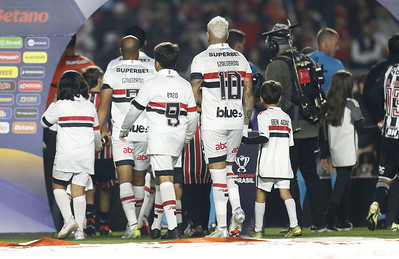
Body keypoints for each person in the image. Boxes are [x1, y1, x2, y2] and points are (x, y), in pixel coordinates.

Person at [120, 42, 198, 239]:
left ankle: (173, 228)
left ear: (157, 63)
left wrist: (124, 129)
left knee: (164, 181)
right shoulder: (184, 84)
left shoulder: (152, 83)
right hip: (178, 138)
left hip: (160, 138)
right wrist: (187, 137)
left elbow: (134, 110)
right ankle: (156, 225)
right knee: (163, 180)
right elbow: (194, 116)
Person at [190, 16, 254, 237]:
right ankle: (236, 209)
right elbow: (249, 93)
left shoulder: (201, 59)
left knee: (217, 176)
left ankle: (222, 227)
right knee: (229, 170)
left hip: (214, 122)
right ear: (227, 36)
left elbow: (194, 93)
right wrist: (245, 124)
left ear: (207, 35)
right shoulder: (241, 59)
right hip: (236, 121)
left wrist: (193, 114)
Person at [264, 23, 327, 232]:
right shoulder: (306, 59)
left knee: (289, 177)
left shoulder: (276, 65)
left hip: (290, 131)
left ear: (274, 42)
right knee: (311, 175)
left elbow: (273, 100)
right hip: (311, 128)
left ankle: (295, 222)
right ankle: (320, 222)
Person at [97, 35, 154, 239]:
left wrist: (100, 129)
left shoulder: (112, 71)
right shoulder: (151, 70)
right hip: (146, 132)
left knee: (125, 181)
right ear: (139, 52)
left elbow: (103, 106)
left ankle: (132, 225)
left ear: (120, 52)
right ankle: (137, 222)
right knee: (140, 180)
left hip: (123, 133)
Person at [43, 34, 96, 232]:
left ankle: (63, 221)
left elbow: (45, 120)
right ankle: (80, 228)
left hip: (58, 132)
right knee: (79, 187)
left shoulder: (52, 66)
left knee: (56, 182)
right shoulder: (87, 63)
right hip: (85, 137)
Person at [41, 71, 102, 240]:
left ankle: (69, 220)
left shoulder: (60, 105)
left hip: (66, 154)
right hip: (86, 155)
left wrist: (53, 103)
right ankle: (80, 232)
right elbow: (96, 132)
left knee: (58, 186)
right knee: (79, 191)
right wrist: (98, 147)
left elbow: (44, 122)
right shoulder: (89, 105)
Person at [320, 70, 380, 232]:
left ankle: (342, 221)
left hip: (335, 150)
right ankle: (330, 219)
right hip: (347, 151)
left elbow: (323, 132)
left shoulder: (328, 104)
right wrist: (378, 127)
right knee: (341, 186)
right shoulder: (352, 104)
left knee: (345, 186)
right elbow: (361, 129)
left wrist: (324, 155)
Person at [242, 80, 302, 238]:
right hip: (283, 163)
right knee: (286, 194)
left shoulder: (263, 115)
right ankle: (295, 226)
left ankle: (257, 230)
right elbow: (290, 143)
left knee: (261, 193)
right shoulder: (286, 117)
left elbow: (264, 137)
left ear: (261, 98)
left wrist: (246, 140)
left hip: (267, 163)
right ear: (280, 98)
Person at [82, 66, 116, 236]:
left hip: (86, 150)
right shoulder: (107, 98)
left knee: (89, 186)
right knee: (105, 188)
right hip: (105, 151)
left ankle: (89, 220)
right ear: (100, 80)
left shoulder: (81, 99)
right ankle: (104, 225)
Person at [366, 61, 399, 231]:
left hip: (389, 132)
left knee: (385, 178)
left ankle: (376, 203)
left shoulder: (389, 71)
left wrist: (382, 117)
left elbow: (372, 96)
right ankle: (397, 222)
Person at [226, 28, 264, 131]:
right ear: (238, 46)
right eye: (242, 46)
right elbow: (258, 92)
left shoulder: (214, 64)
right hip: (241, 118)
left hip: (219, 116)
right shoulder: (248, 66)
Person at [308, 28, 345, 93]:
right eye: (336, 44)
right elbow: (342, 93)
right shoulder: (337, 65)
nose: (338, 48)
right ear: (326, 43)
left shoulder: (303, 60)